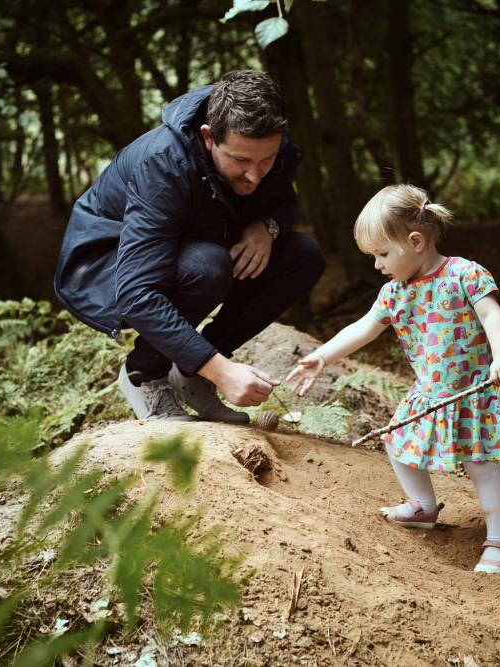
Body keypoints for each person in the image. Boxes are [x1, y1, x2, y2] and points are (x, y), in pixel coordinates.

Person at [54, 71, 325, 422]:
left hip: (191, 240)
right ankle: (143, 376)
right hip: (106, 263)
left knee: (303, 255)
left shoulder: (267, 146)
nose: (255, 176)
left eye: (266, 161)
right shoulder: (163, 164)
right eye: (241, 161)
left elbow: (283, 202)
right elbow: (136, 293)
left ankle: (192, 373)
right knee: (208, 266)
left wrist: (267, 227)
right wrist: (223, 371)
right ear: (209, 137)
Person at [286, 184, 500, 574]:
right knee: (398, 441)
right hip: (428, 392)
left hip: (471, 394)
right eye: (373, 256)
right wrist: (322, 356)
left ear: (415, 241)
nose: (378, 265)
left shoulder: (464, 273)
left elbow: (491, 315)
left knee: (481, 466)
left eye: (382, 254)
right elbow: (363, 328)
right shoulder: (394, 292)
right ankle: (423, 507)